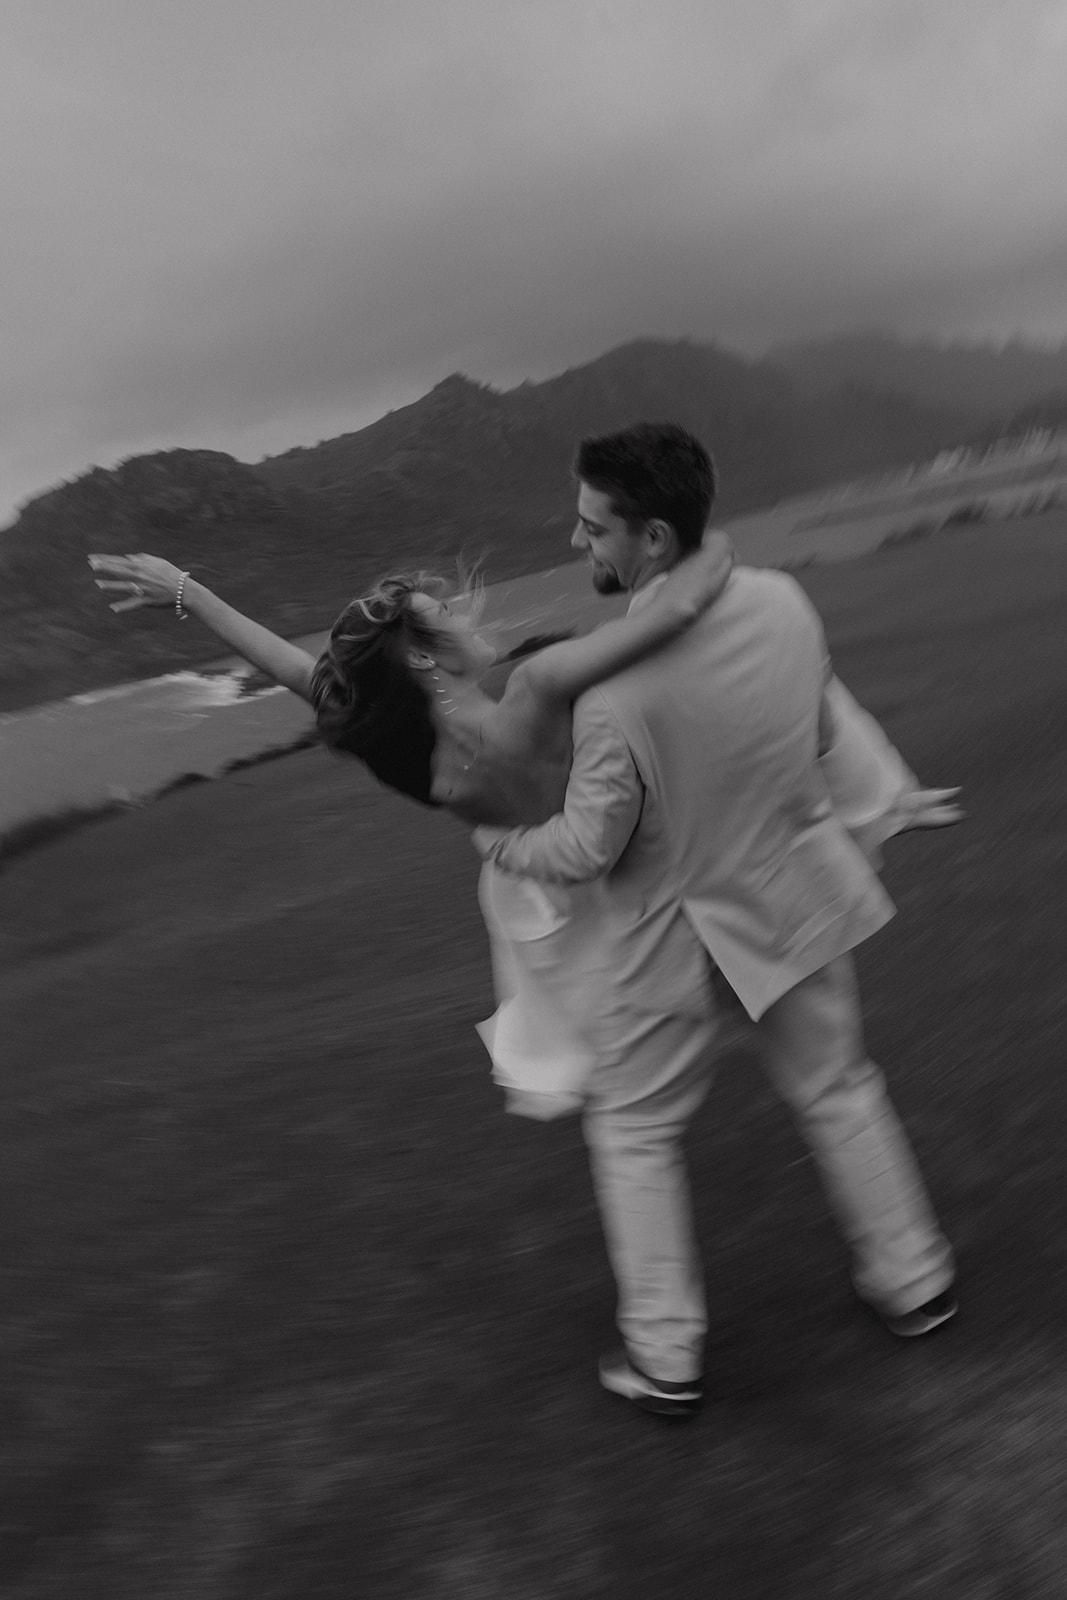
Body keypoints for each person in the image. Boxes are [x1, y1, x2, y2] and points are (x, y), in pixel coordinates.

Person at [475, 422, 959, 1419]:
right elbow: (822, 729)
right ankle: (914, 1280)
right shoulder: (782, 601)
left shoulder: (608, 689)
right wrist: (888, 799)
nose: (576, 540)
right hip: (791, 899)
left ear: (652, 538)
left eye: (592, 526)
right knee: (838, 1088)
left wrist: (498, 843)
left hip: (674, 942)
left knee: (634, 1129)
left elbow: (585, 849)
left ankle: (664, 1357)